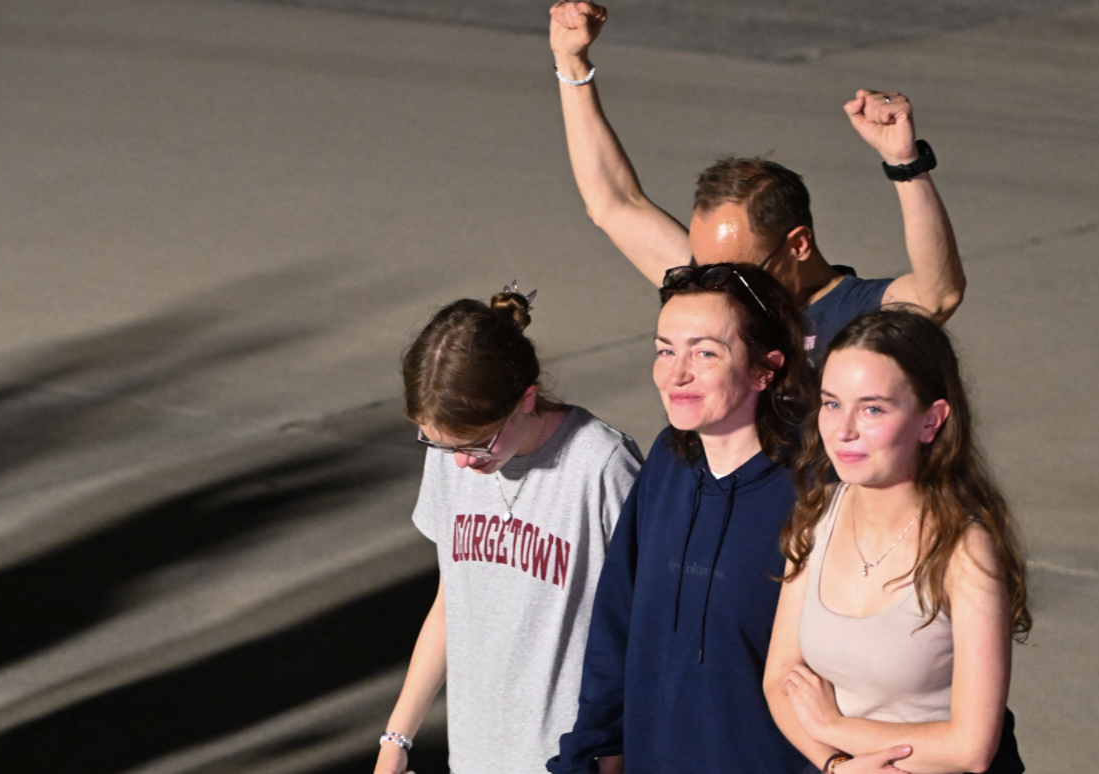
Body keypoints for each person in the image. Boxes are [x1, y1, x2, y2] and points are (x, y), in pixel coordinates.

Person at [548, 1, 966, 365]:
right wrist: (571, 63)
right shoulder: (717, 283)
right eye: (708, 272)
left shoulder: (855, 315)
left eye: (736, 273)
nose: (719, 290)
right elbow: (614, 203)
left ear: (799, 244)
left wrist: (904, 163)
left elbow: (938, 295)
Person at [549, 263, 844, 773]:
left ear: (764, 369)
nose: (675, 373)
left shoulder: (818, 486)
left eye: (705, 352)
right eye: (666, 350)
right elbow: (615, 627)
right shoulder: (667, 461)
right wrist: (592, 753)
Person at [374, 286, 643, 774]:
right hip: (475, 757)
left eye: (477, 444)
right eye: (437, 444)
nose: (461, 461)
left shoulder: (601, 467)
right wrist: (397, 740)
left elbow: (643, 628)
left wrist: (612, 755)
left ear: (527, 398)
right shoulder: (452, 459)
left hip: (572, 759)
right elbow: (453, 603)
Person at [763, 309, 1029, 774]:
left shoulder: (965, 551)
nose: (843, 430)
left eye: (873, 409)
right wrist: (837, 766)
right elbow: (779, 680)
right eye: (831, 403)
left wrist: (837, 728)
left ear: (932, 421)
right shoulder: (816, 514)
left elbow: (971, 746)